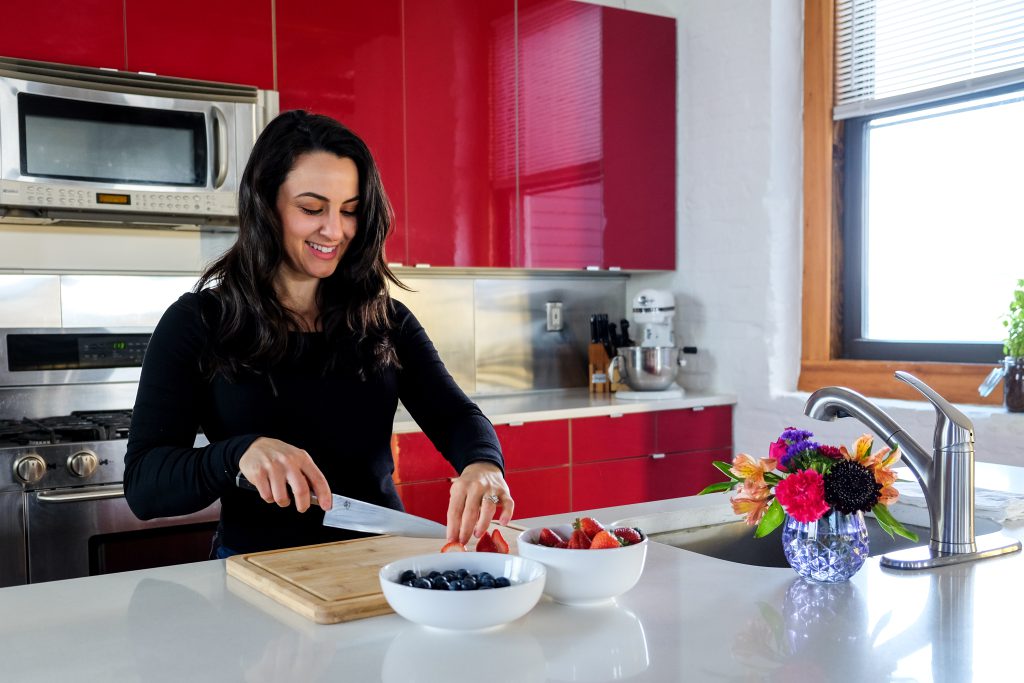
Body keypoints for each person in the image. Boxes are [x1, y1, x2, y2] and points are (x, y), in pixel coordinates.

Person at [124, 110, 513, 557]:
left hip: (379, 562)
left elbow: (456, 416)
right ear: (266, 205)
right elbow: (144, 486)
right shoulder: (199, 322)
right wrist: (236, 454)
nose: (335, 230)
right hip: (258, 571)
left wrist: (483, 464)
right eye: (312, 209)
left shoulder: (384, 320)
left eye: (350, 211)